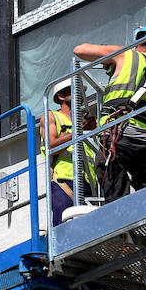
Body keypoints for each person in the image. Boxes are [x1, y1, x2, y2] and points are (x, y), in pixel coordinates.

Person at [73, 24, 146, 203]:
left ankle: (118, 221)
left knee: (111, 178)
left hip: (118, 136)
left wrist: (110, 57)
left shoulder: (125, 54)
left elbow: (79, 50)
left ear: (137, 43)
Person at [40, 79, 97, 225]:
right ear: (61, 96)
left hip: (89, 181)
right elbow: (51, 147)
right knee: (64, 225)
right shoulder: (51, 116)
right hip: (64, 181)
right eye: (74, 90)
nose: (79, 94)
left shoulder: (82, 120)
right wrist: (78, 132)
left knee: (90, 227)